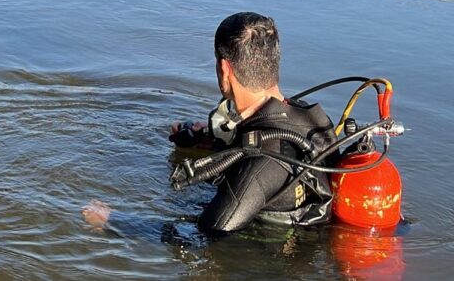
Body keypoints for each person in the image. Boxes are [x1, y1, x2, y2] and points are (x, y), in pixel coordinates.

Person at [83, 12, 338, 235]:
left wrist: (113, 221)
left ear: (225, 69)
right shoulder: (313, 117)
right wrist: (206, 141)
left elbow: (204, 233)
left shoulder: (261, 166)